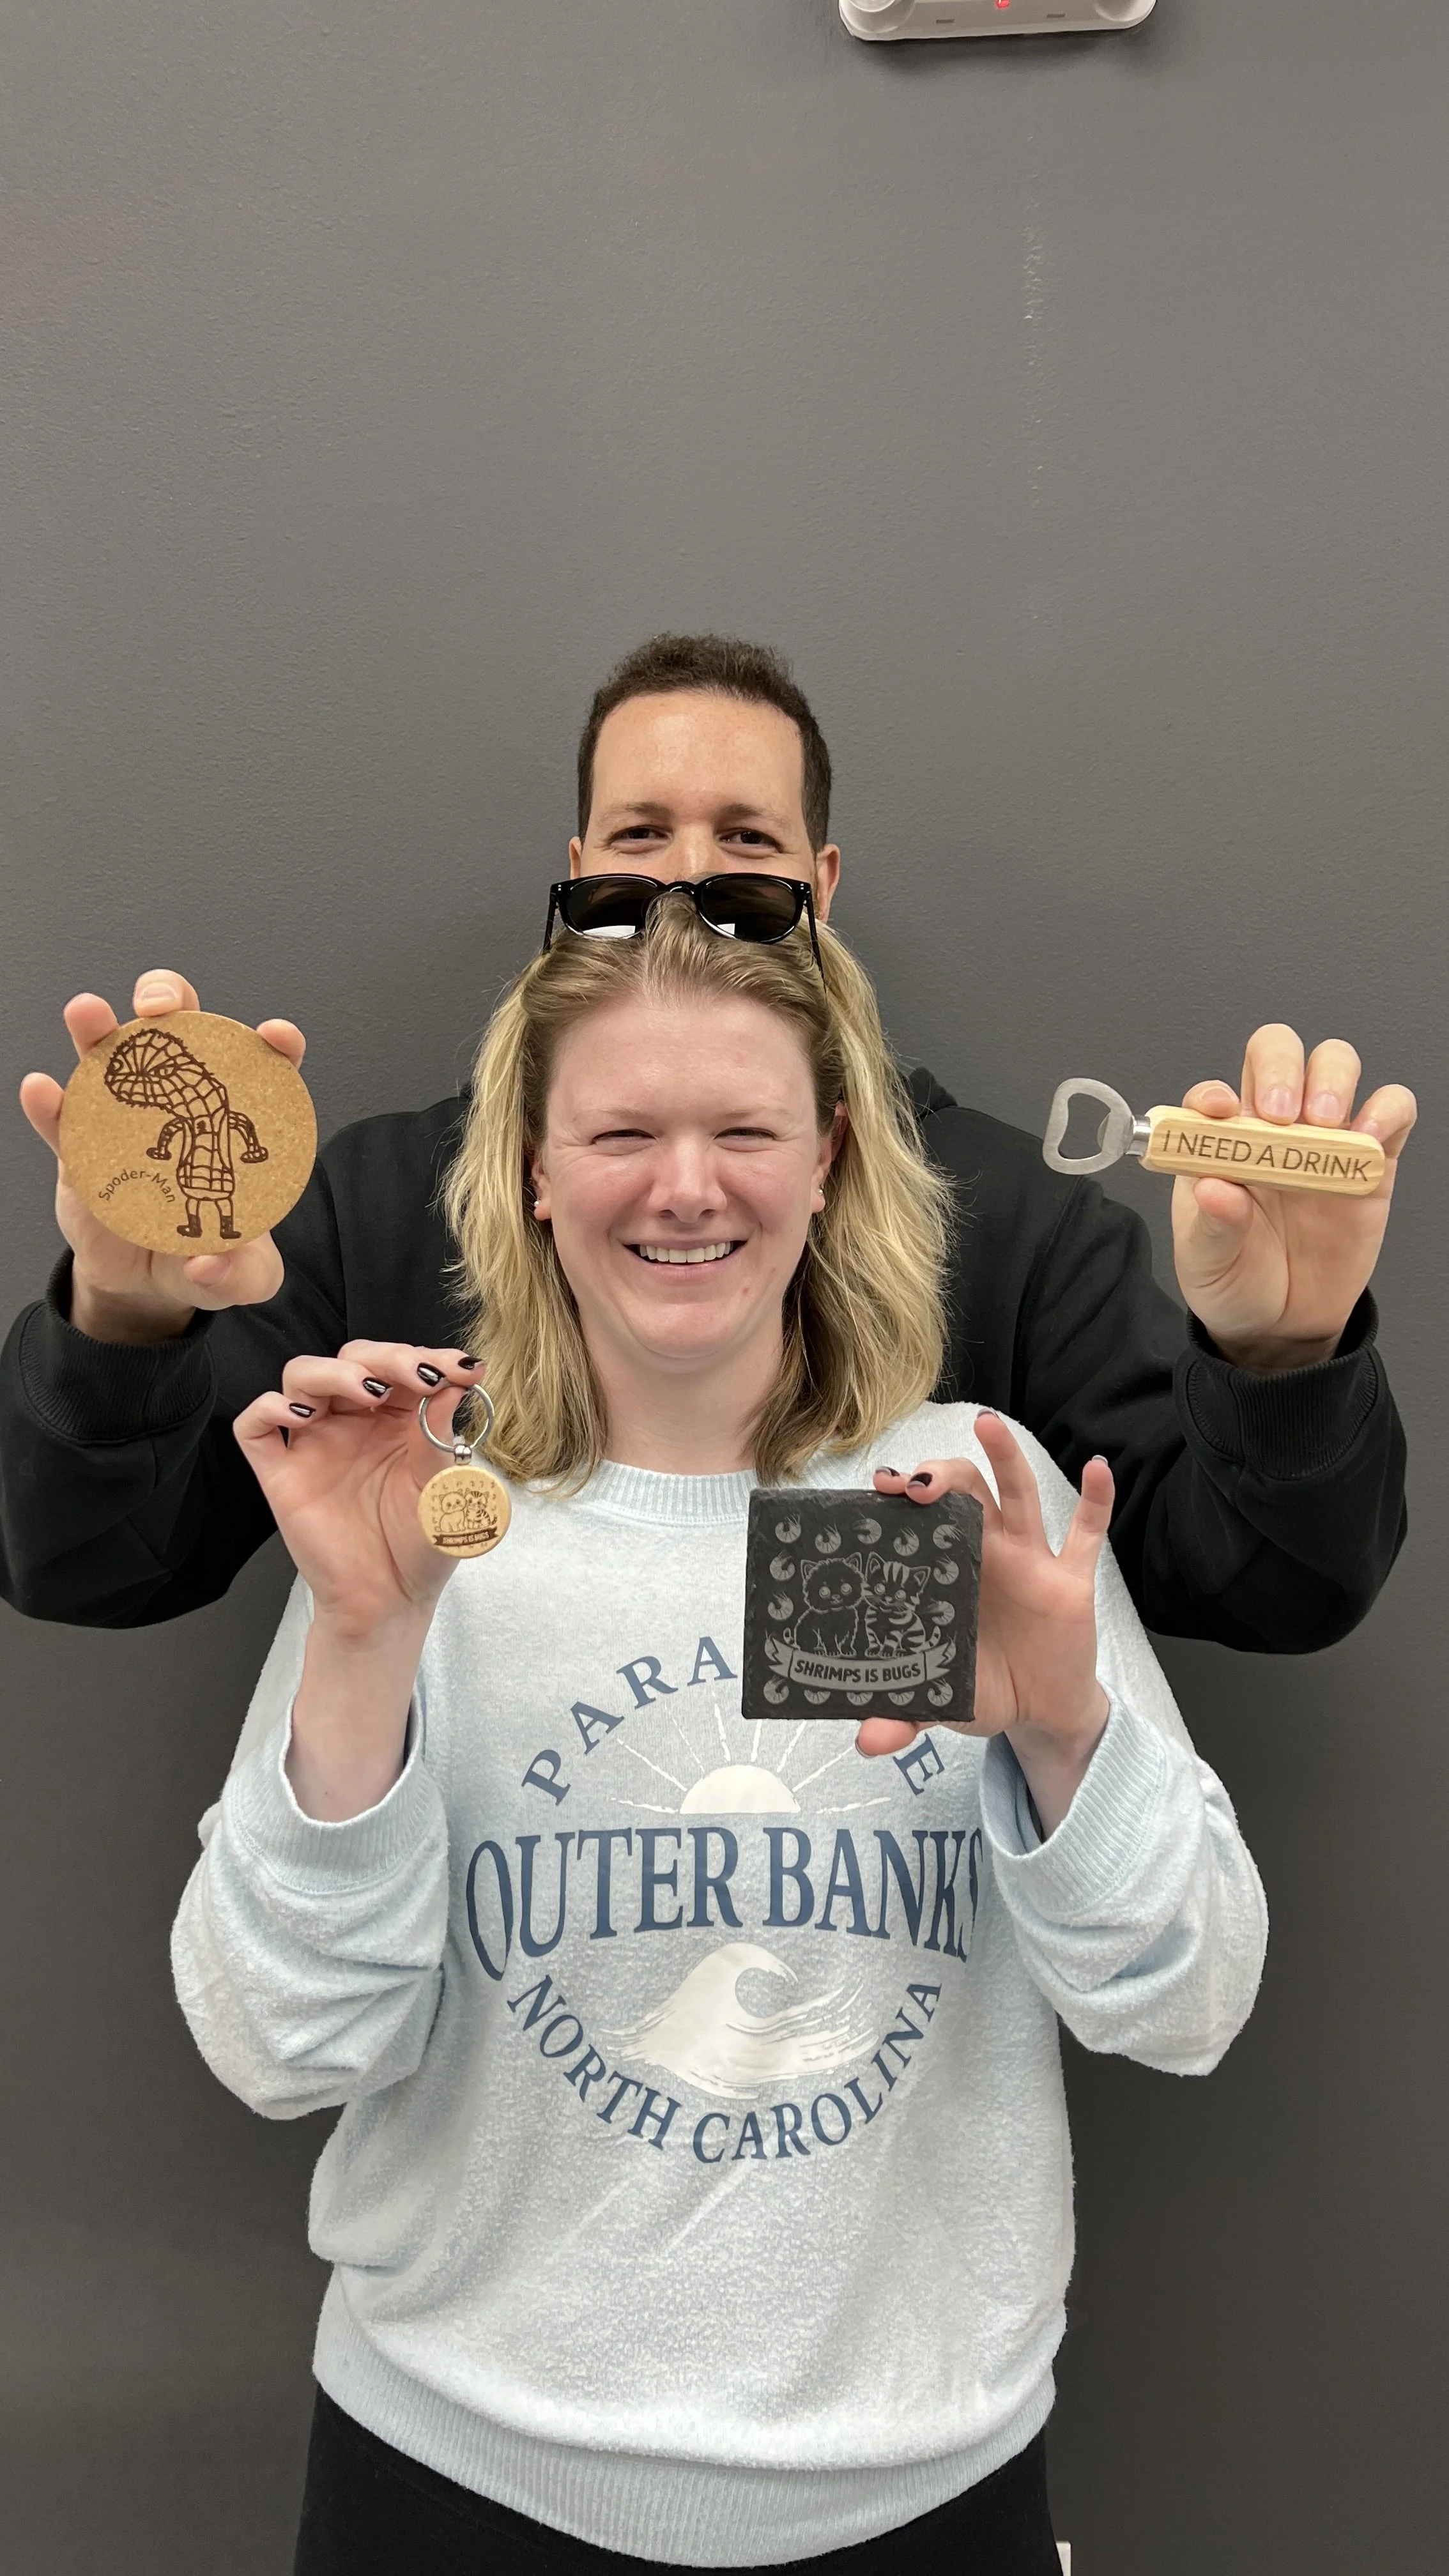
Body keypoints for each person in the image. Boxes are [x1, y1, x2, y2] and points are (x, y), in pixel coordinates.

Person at [171, 891, 1268, 2573]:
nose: (686, 1185)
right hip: (461, 2483)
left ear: (826, 1157)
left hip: (916, 2492)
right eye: (621, 1131)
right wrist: (360, 1641)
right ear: (533, 1171)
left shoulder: (949, 1496)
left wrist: (1065, 1737)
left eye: (741, 1129)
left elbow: (1185, 2004)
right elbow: (279, 2045)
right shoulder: (431, 1521)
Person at [2, 635, 1415, 1646]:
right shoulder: (373, 1205)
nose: (685, 880)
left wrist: (1282, 1370)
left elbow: (1264, 1589)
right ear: (534, 1180)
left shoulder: (1016, 1228)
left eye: (746, 842)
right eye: (641, 836)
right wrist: (125, 1325)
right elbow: (90, 1570)